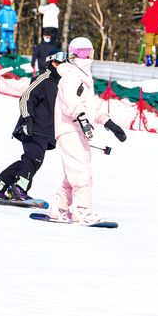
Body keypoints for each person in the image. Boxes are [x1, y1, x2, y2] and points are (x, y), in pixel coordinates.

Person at [49, 36, 127, 225]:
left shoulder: (83, 76)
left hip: (76, 129)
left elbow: (90, 105)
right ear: (78, 54)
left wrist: (109, 123)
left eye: (90, 52)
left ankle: (59, 210)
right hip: (70, 128)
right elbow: (71, 103)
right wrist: (83, 120)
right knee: (82, 171)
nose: (89, 56)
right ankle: (83, 212)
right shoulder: (71, 75)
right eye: (86, 52)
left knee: (73, 172)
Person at [0, 51, 66, 201]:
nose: (60, 67)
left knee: (29, 161)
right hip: (33, 128)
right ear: (49, 63)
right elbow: (25, 97)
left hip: (46, 132)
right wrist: (27, 119)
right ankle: (19, 188)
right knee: (32, 160)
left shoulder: (60, 86)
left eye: (63, 64)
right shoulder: (43, 79)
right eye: (57, 63)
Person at [141, 0, 158, 66]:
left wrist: (147, 25)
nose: (149, 4)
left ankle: (149, 60)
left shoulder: (149, 10)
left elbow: (144, 19)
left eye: (150, 2)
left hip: (150, 30)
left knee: (149, 45)